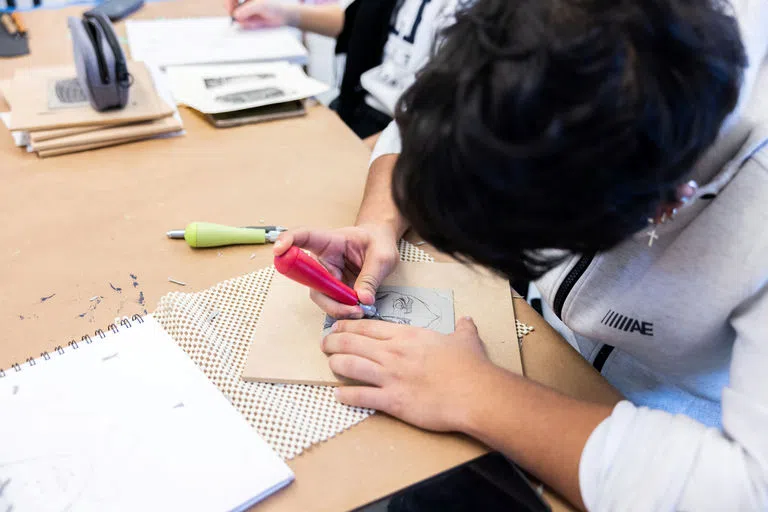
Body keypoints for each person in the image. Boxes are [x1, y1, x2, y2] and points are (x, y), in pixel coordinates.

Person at [273, 0, 768, 509]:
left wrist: (476, 394)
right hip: (543, 358)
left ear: (664, 209)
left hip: (655, 439)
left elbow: (744, 489)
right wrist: (379, 220)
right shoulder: (539, 24)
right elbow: (426, 114)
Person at [229, 0, 457, 144]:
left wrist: (351, 152)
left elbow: (447, 124)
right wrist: (285, 13)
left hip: (408, 139)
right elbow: (360, 22)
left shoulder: (484, 17)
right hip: (355, 111)